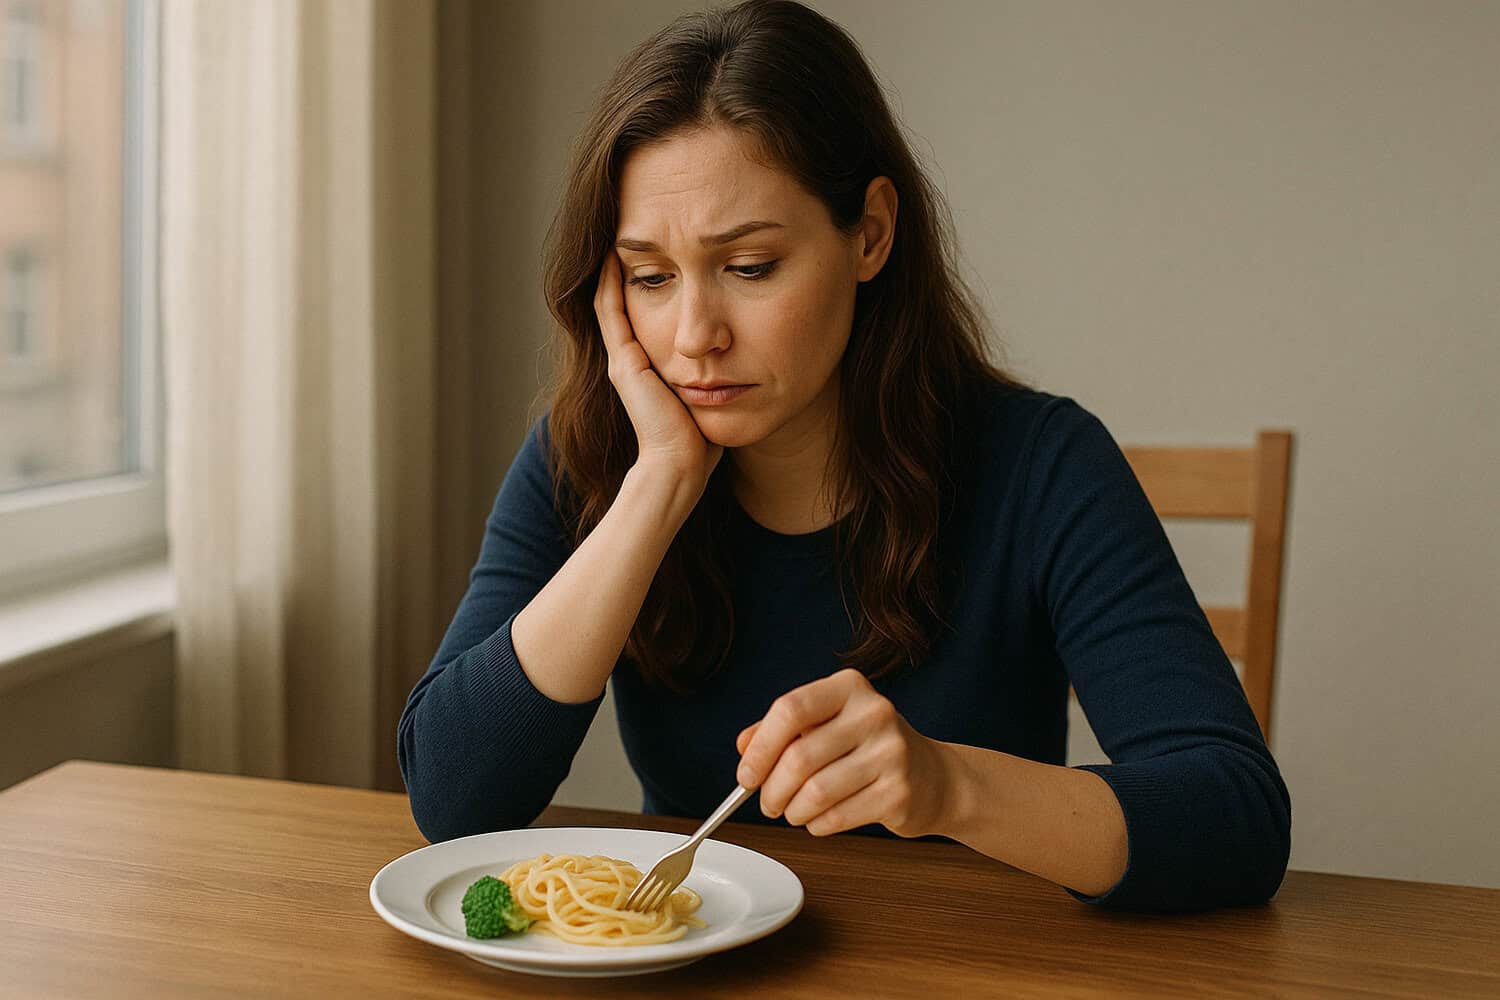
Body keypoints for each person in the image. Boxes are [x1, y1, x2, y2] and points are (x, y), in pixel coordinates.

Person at [398, 0, 1290, 912]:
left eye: (749, 268)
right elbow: (454, 800)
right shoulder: (590, 454)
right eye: (650, 278)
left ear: (869, 233)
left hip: (969, 957)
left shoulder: (1040, 464)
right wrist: (656, 489)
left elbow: (1236, 816)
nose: (694, 335)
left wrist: (950, 787)